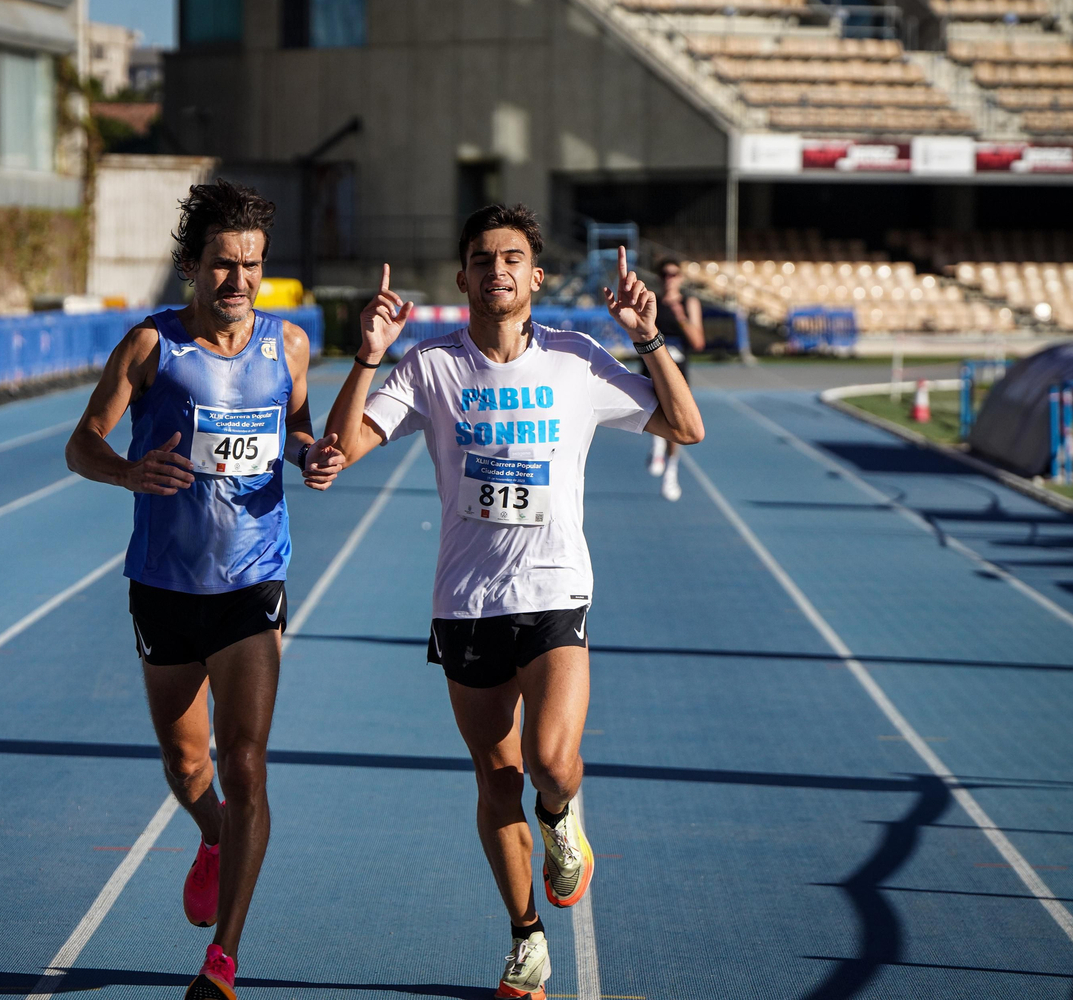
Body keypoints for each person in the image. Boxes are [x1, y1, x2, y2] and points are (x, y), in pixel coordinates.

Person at [323, 205, 704, 1000]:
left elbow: (686, 425)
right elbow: (342, 446)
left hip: (555, 588)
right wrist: (366, 358)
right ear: (462, 277)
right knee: (495, 781)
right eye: (481, 258)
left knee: (550, 764)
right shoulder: (429, 366)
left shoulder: (577, 359)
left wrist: (647, 335)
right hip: (465, 601)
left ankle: (563, 818)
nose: (497, 268)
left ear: (535, 275)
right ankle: (526, 936)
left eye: (512, 257)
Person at [63, 180, 346, 1000]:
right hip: (164, 584)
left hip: (254, 580)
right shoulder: (151, 348)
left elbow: (296, 425)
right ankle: (214, 833)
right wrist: (126, 470)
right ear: (193, 267)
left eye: (252, 265)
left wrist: (309, 454)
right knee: (189, 765)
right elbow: (81, 442)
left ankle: (222, 961)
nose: (239, 282)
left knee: (246, 760)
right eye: (224, 265)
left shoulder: (287, 346)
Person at [644, 257, 705, 501]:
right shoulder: (653, 302)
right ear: (660, 278)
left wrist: (680, 315)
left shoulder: (690, 303)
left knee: (676, 421)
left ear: (680, 277)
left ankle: (671, 471)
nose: (670, 278)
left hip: (678, 370)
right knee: (655, 409)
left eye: (674, 274)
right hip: (653, 365)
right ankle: (657, 447)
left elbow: (699, 342)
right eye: (665, 274)